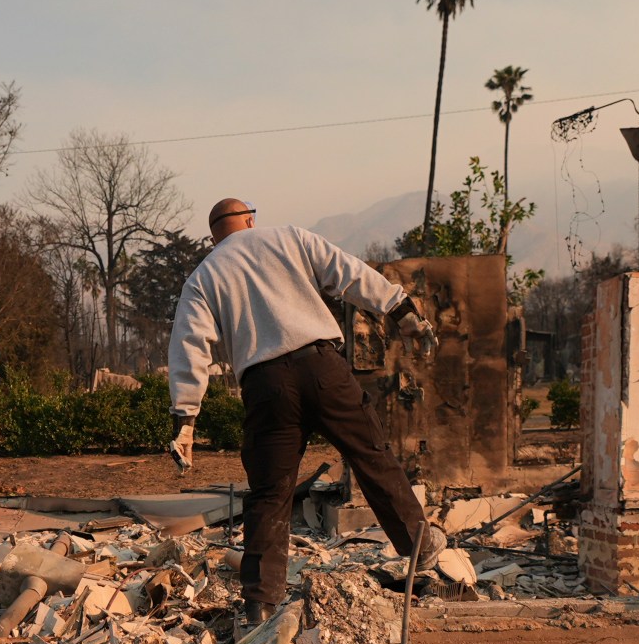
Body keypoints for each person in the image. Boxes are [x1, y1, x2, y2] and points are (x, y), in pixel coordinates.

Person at [167, 198, 445, 619]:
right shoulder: (289, 238)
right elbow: (348, 273)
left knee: (269, 494)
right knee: (371, 456)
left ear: (214, 235)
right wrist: (399, 309)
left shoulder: (203, 277)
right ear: (249, 220)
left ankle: (261, 602)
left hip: (266, 387)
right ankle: (419, 546)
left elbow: (190, 346)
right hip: (323, 369)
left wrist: (185, 416)